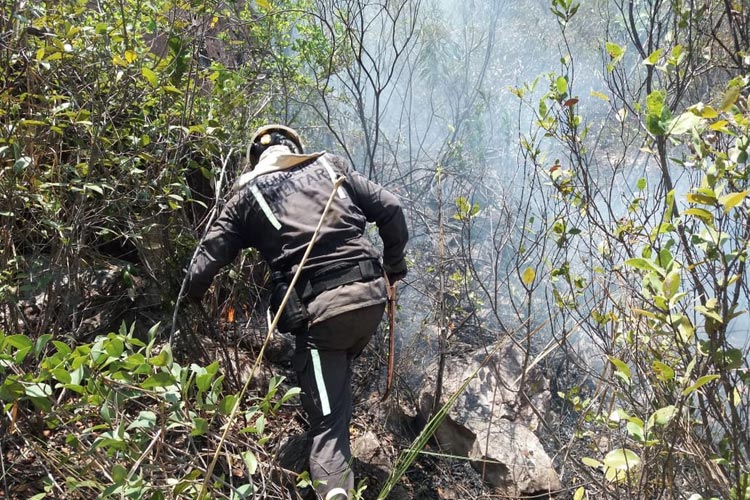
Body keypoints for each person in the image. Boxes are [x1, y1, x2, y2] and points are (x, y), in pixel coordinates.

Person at [185, 124, 408, 500]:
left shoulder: (247, 197)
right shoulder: (331, 167)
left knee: (327, 426)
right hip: (371, 299)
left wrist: (186, 297)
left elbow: (208, 259)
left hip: (324, 313)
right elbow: (392, 207)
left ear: (257, 160)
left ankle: (334, 482)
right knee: (333, 376)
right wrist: (394, 265)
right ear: (295, 150)